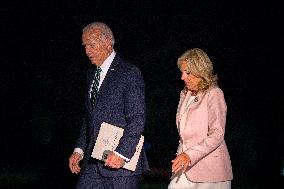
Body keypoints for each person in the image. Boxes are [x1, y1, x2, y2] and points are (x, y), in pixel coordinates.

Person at [68, 22, 149, 189]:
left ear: (108, 43)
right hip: (92, 162)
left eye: (91, 45)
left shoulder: (129, 73)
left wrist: (121, 154)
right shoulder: (92, 74)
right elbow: (90, 117)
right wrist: (79, 149)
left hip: (120, 165)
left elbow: (137, 119)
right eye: (84, 46)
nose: (87, 51)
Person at [168, 48, 233, 189]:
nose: (182, 77)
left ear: (200, 71)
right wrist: (181, 155)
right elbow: (184, 136)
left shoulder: (214, 94)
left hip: (211, 171)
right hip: (185, 168)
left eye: (188, 73)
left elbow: (217, 134)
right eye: (182, 72)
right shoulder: (184, 95)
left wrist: (189, 155)